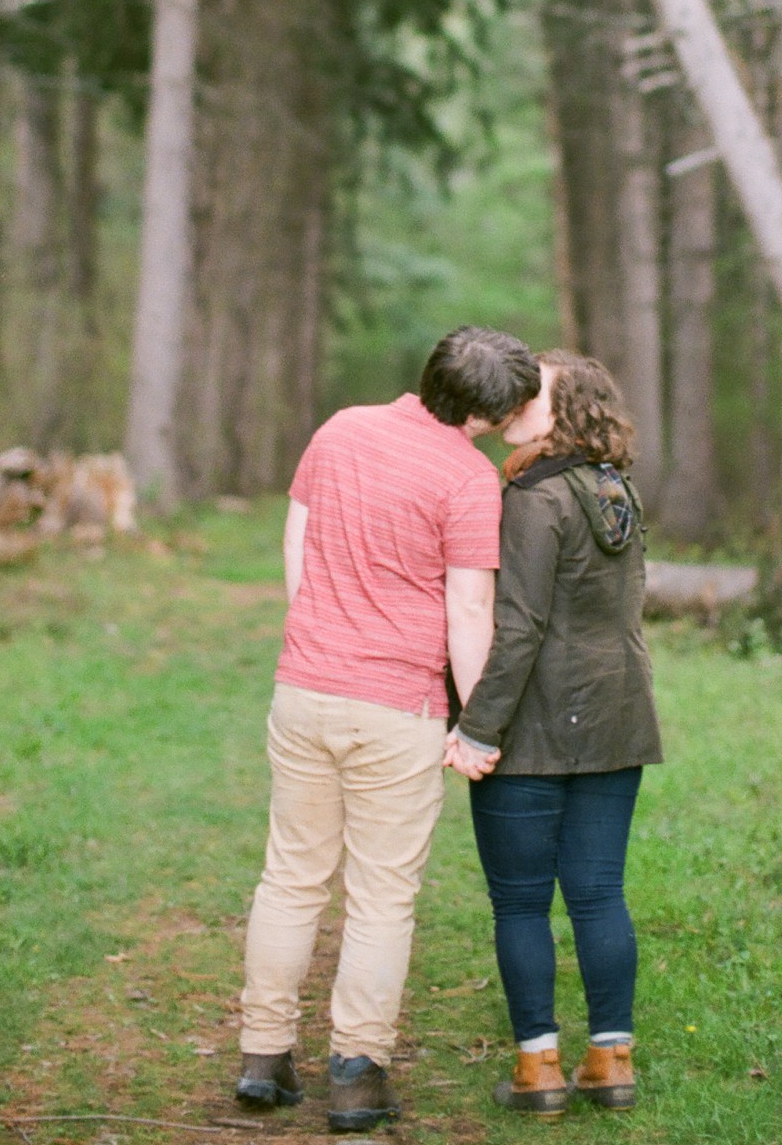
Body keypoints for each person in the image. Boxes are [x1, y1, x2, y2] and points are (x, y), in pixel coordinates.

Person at [236, 325, 541, 1135]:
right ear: (488, 411)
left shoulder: (340, 428)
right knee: (380, 897)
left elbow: (296, 545)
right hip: (396, 708)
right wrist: (481, 722)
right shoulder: (467, 480)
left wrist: (317, 634)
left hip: (303, 688)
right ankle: (356, 1073)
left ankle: (262, 1056)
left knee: (290, 877)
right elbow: (469, 610)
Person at [446, 351, 662, 1118]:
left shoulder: (534, 498)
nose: (510, 403)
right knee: (600, 893)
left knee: (521, 905)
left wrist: (475, 728)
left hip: (535, 726)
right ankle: (611, 1058)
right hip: (615, 713)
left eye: (528, 392)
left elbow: (519, 628)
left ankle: (537, 1066)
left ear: (565, 408)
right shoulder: (616, 488)